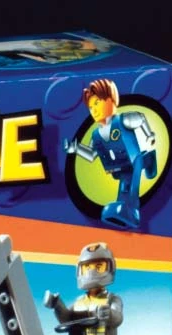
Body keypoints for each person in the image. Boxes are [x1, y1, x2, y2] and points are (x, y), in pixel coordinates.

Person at [65, 78, 157, 229]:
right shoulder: (96, 134)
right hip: (119, 167)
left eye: (97, 103)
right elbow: (92, 154)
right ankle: (122, 210)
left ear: (111, 99)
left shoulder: (123, 120)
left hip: (134, 160)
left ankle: (133, 210)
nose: (94, 110)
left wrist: (149, 135)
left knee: (132, 182)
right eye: (91, 107)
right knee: (124, 186)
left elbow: (140, 118)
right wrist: (76, 149)